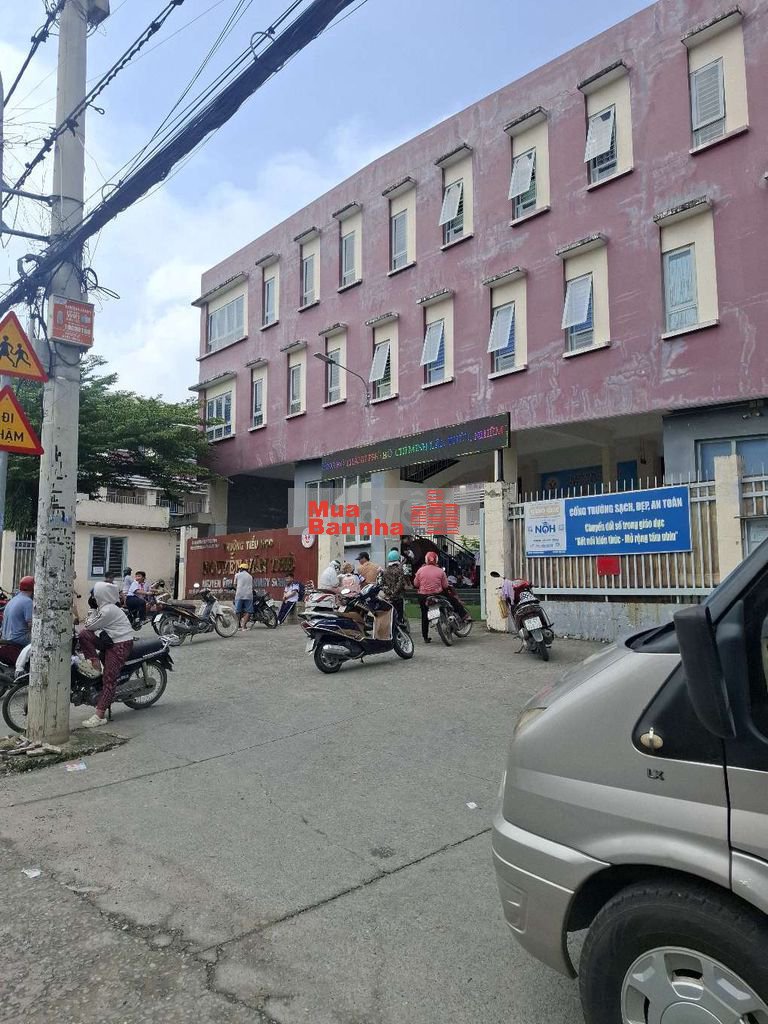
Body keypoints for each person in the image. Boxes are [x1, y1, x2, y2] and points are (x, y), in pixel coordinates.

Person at [79, 582, 136, 728]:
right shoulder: (105, 608)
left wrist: (92, 609)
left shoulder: (107, 610)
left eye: (95, 595)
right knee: (83, 635)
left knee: (109, 679)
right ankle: (94, 660)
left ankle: (99, 715)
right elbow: (89, 629)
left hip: (120, 644)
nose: (93, 597)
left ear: (101, 595)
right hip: (111, 640)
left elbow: (89, 625)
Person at [413, 551, 469, 643]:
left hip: (423, 596)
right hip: (438, 594)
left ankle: (425, 637)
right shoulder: (440, 571)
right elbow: (445, 585)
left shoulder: (420, 570)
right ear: (436, 560)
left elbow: (416, 584)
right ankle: (463, 615)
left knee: (424, 615)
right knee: (453, 600)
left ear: (426, 560)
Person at [0, 575, 34, 667]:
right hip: (19, 639)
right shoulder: (28, 602)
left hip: (6, 638)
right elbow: (31, 625)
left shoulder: (13, 600)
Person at [381, 550, 406, 625]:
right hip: (398, 597)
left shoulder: (385, 570)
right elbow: (400, 584)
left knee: (392, 616)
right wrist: (394, 594)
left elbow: (382, 584)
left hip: (389, 597)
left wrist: (388, 593)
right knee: (399, 616)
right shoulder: (399, 570)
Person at [233, 562, 254, 630]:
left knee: (237, 611)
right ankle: (244, 626)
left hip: (239, 595)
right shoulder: (250, 576)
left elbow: (234, 585)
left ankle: (238, 626)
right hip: (249, 595)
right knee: (248, 611)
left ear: (241, 569)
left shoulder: (237, 575)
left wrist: (237, 589)